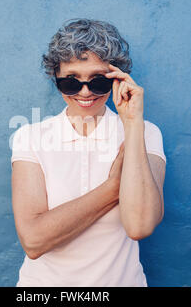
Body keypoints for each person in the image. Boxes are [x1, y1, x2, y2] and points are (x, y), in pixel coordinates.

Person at [10, 18, 166, 286]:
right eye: (71, 82)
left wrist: (132, 123)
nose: (85, 93)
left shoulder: (145, 133)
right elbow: (33, 241)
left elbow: (139, 225)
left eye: (98, 82)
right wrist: (113, 186)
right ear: (55, 79)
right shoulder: (31, 137)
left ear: (117, 79)